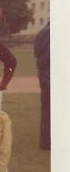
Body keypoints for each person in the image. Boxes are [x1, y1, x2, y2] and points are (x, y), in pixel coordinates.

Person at [34, 21, 50, 150]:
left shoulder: (41, 32)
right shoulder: (53, 31)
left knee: (46, 109)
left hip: (44, 74)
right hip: (51, 73)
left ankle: (45, 142)